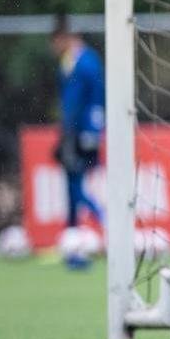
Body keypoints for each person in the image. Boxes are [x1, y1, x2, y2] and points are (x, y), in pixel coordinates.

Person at [50, 16, 105, 244]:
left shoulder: (86, 61)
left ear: (65, 38)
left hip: (83, 132)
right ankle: (71, 235)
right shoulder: (69, 61)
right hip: (72, 131)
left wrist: (93, 129)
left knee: (75, 180)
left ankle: (104, 218)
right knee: (71, 180)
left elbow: (96, 97)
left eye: (55, 41)